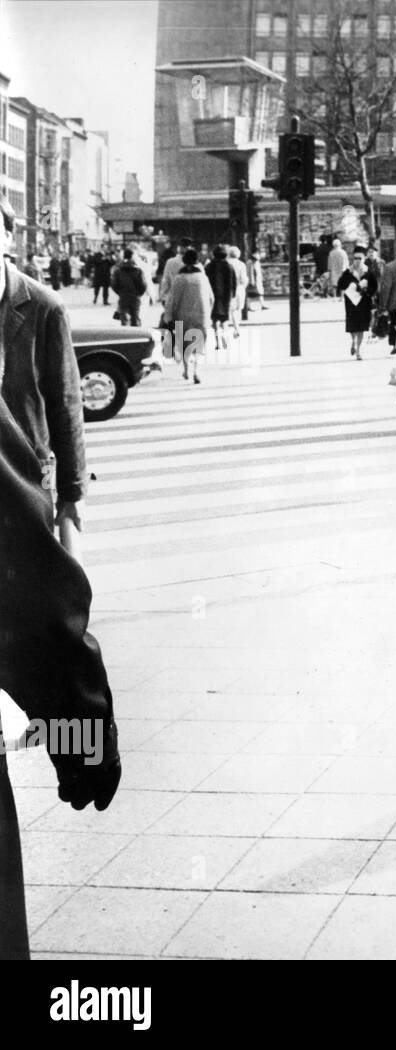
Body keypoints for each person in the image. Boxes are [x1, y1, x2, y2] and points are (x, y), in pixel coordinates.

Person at [0, 195, 122, 961]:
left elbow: (67, 404)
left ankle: (79, 745)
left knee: (46, 640)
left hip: (26, 499)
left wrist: (70, 511)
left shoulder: (36, 307)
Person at [165, 247, 214, 384]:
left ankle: (187, 370)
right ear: (197, 261)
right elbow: (211, 298)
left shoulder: (179, 279)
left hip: (183, 315)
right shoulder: (203, 278)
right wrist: (208, 313)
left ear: (184, 261)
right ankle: (197, 370)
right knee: (198, 345)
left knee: (184, 344)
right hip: (201, 315)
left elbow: (172, 300)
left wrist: (169, 316)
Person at [337, 247, 375, 359]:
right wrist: (351, 285)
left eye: (360, 258)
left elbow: (374, 286)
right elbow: (340, 284)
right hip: (351, 302)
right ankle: (353, 341)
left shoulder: (368, 272)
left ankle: (358, 350)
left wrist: (366, 290)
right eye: (355, 258)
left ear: (364, 258)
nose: (357, 260)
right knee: (353, 325)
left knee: (362, 326)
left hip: (363, 301)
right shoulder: (348, 272)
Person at [205, 245, 237, 351]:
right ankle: (225, 338)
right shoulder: (229, 266)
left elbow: (205, 282)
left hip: (212, 296)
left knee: (215, 320)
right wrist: (233, 294)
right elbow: (234, 283)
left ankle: (217, 340)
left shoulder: (209, 266)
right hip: (225, 296)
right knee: (224, 320)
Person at [109, 247, 148, 327]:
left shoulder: (118, 270)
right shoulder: (138, 270)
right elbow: (143, 285)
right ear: (132, 256)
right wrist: (138, 294)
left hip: (123, 296)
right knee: (135, 317)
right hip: (135, 297)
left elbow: (114, 284)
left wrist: (120, 292)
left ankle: (126, 333)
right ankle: (137, 335)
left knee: (124, 317)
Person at [157, 237, 191, 303]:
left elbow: (166, 280)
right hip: (188, 297)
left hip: (173, 296)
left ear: (179, 248)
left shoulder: (170, 262)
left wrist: (162, 296)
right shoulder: (196, 263)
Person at [227, 245, 249, 334]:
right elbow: (243, 279)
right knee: (238, 309)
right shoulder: (241, 264)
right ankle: (237, 327)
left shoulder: (227, 263)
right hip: (239, 288)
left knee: (232, 310)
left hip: (229, 289)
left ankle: (234, 328)